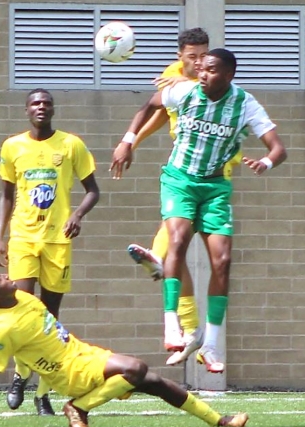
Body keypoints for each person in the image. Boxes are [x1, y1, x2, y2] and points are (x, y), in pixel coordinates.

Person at [111, 49, 287, 375]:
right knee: (177, 239)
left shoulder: (245, 104)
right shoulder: (184, 91)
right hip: (179, 180)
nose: (203, 75)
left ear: (229, 75)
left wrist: (265, 162)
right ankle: (171, 326)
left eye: (211, 70)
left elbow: (278, 148)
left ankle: (210, 345)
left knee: (222, 261)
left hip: (215, 188)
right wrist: (127, 140)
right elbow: (151, 104)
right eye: (201, 69)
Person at [0, 269, 249, 427]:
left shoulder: (19, 299)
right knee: (136, 368)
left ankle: (219, 420)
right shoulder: (5, 327)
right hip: (69, 372)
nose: (5, 274)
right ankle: (78, 406)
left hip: (83, 354)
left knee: (154, 381)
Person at [0, 88, 100, 416]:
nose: (42, 107)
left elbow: (93, 190)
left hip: (57, 242)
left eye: (47, 103)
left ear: (53, 110)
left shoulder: (71, 145)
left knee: (50, 317)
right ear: (27, 110)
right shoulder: (13, 146)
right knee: (24, 311)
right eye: (36, 103)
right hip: (23, 238)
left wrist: (77, 214)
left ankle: (43, 391)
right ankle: (20, 375)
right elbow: (7, 196)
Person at [125, 28, 215, 368]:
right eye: (192, 56)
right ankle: (192, 329)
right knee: (177, 246)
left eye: (203, 55)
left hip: (213, 170)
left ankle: (157, 258)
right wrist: (132, 142)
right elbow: (161, 112)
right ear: (180, 56)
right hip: (184, 167)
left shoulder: (210, 79)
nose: (198, 62)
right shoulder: (171, 78)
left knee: (177, 245)